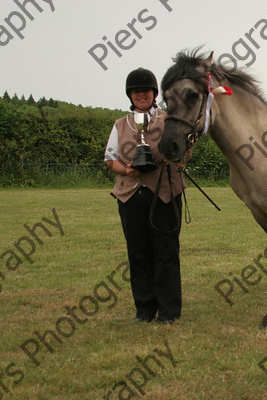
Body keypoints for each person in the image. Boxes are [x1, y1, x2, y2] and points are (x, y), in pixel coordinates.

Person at [104, 67, 185, 324]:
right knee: (138, 253)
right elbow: (110, 159)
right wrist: (127, 170)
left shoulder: (167, 118)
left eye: (146, 91)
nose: (141, 95)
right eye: (137, 91)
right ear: (130, 95)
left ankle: (169, 311)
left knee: (166, 251)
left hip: (164, 192)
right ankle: (144, 309)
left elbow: (182, 147)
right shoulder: (120, 125)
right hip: (131, 195)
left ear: (154, 94)